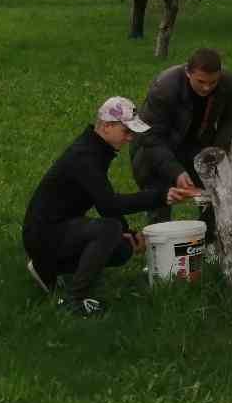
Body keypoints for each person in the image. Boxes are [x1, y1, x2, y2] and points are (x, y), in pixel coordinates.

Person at [22, 96, 198, 316]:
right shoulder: (84, 157)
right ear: (106, 126)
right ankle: (74, 300)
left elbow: (103, 201)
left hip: (53, 231)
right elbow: (109, 205)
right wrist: (162, 196)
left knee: (122, 248)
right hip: (42, 235)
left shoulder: (95, 150)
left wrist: (128, 233)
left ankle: (48, 268)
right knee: (109, 229)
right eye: (126, 132)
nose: (130, 138)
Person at [131, 47, 232, 226]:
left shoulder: (228, 83)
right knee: (159, 200)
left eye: (212, 82)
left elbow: (229, 121)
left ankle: (208, 235)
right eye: (201, 81)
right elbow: (150, 136)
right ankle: (160, 235)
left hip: (196, 143)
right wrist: (176, 171)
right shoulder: (164, 87)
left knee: (216, 193)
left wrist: (216, 153)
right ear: (188, 73)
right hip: (154, 148)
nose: (206, 87)